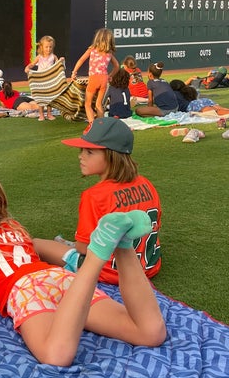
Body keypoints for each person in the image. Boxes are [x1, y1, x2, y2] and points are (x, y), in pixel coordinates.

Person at [0, 169, 166, 367]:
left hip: (24, 290)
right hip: (55, 275)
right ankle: (123, 245)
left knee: (55, 355)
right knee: (149, 333)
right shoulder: (16, 227)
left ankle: (94, 258)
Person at [32, 117, 161, 285]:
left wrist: (76, 246)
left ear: (112, 155)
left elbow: (83, 248)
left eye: (89, 152)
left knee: (37, 244)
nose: (81, 156)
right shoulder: (146, 183)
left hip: (110, 273)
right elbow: (154, 224)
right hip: (149, 267)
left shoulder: (94, 195)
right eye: (82, 150)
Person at [72, 28, 119, 123]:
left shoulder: (92, 49)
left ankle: (92, 125)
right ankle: (101, 125)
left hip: (94, 79)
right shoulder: (109, 52)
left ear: (97, 38)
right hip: (104, 79)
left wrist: (74, 72)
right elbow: (117, 66)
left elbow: (81, 60)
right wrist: (110, 75)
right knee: (98, 104)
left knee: (87, 104)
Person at [24, 35, 62, 121]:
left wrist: (61, 60)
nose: (48, 49)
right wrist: (28, 67)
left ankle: (49, 114)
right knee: (41, 98)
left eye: (50, 47)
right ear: (41, 47)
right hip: (41, 80)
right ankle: (41, 115)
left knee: (49, 98)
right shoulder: (39, 57)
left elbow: (59, 65)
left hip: (50, 80)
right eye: (46, 47)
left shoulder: (53, 56)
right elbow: (32, 64)